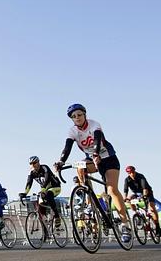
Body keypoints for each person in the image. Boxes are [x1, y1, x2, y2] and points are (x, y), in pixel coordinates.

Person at [54, 103, 131, 242]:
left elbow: (97, 139)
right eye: (73, 117)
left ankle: (125, 224)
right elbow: (67, 147)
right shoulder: (72, 131)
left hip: (108, 158)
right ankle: (87, 197)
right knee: (79, 166)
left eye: (79, 115)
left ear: (85, 115)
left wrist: (96, 153)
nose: (77, 118)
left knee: (112, 190)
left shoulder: (94, 124)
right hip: (91, 159)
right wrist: (61, 161)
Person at [18, 156, 62, 229]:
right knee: (40, 206)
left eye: (34, 163)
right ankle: (45, 230)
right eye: (31, 163)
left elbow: (47, 179)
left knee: (49, 194)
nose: (33, 165)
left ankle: (57, 216)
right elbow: (29, 183)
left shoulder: (44, 167)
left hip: (55, 187)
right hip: (44, 190)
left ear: (38, 162)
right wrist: (25, 193)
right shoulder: (31, 172)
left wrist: (43, 189)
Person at [123, 165, 161, 237]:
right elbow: (125, 190)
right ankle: (136, 214)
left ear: (135, 171)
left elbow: (145, 188)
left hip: (147, 192)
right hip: (136, 193)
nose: (131, 174)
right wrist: (125, 198)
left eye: (132, 172)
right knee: (129, 199)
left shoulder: (140, 176)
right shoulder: (127, 179)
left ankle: (157, 226)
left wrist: (144, 196)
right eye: (129, 173)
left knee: (152, 208)